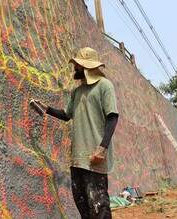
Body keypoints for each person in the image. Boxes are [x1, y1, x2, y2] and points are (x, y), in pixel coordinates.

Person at [35, 47, 119, 219]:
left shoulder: (105, 86)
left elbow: (112, 117)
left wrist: (102, 148)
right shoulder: (77, 92)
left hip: (96, 157)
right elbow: (67, 115)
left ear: (88, 67)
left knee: (99, 206)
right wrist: (46, 109)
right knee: (83, 206)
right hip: (77, 159)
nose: (76, 68)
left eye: (79, 65)